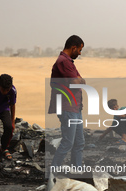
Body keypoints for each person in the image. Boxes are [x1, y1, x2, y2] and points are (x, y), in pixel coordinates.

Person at [48, 35, 86, 170]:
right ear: (73, 47)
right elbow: (76, 82)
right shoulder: (63, 62)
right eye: (80, 50)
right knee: (68, 142)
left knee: (79, 143)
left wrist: (78, 80)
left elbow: (81, 80)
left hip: (74, 108)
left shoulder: (68, 62)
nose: (80, 53)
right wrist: (78, 80)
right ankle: (53, 172)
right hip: (67, 107)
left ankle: (76, 171)